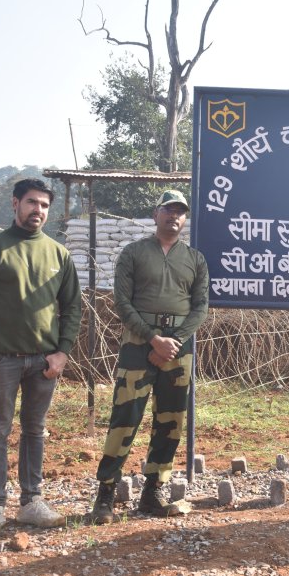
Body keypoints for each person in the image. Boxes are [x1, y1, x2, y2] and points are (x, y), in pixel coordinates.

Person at [0, 178, 81, 539]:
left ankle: (32, 502)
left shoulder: (58, 254)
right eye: (32, 202)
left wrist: (62, 352)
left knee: (35, 429)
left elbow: (72, 307)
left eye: (44, 205)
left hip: (43, 363)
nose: (38, 210)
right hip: (0, 360)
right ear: (15, 203)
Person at [90, 189, 209, 523]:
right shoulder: (134, 253)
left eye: (180, 211)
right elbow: (122, 302)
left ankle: (154, 491)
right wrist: (153, 339)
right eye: (168, 210)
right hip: (138, 344)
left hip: (178, 349)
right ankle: (105, 494)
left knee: (170, 420)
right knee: (125, 417)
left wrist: (173, 341)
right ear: (156, 214)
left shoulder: (195, 259)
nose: (174, 216)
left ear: (185, 219)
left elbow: (200, 307)